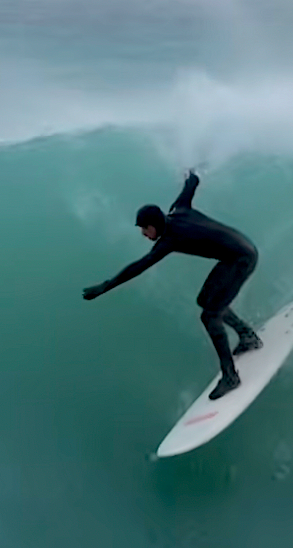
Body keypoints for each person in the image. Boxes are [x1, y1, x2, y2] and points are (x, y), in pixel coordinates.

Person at [83, 170, 261, 400]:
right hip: (238, 251)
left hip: (241, 259)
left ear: (154, 225)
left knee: (209, 315)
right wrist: (192, 174)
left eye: (144, 228)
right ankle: (247, 337)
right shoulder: (178, 209)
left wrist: (106, 286)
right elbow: (191, 185)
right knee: (205, 301)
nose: (144, 234)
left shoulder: (170, 239)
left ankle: (230, 376)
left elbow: (140, 265)